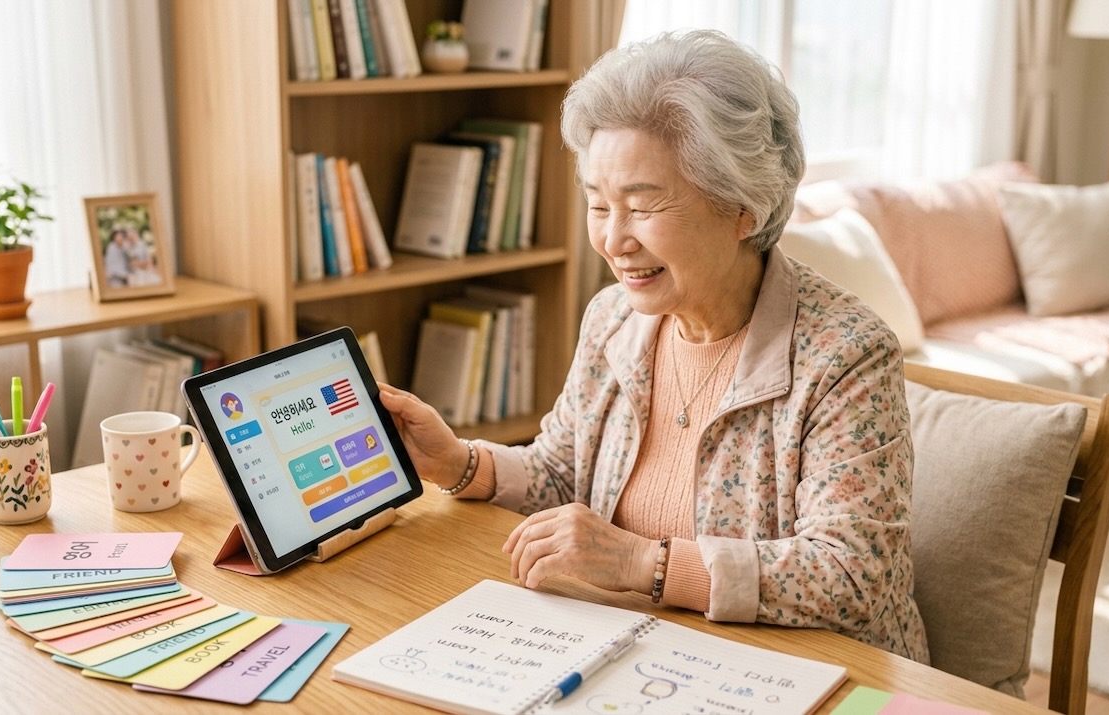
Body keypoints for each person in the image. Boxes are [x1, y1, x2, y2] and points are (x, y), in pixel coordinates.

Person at [380, 30, 929, 663]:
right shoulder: (614, 317)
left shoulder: (847, 356)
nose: (613, 240)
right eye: (598, 205)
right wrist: (459, 463)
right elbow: (565, 473)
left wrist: (643, 562)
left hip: (814, 675)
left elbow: (854, 575)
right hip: (649, 655)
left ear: (742, 207)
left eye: (642, 207)